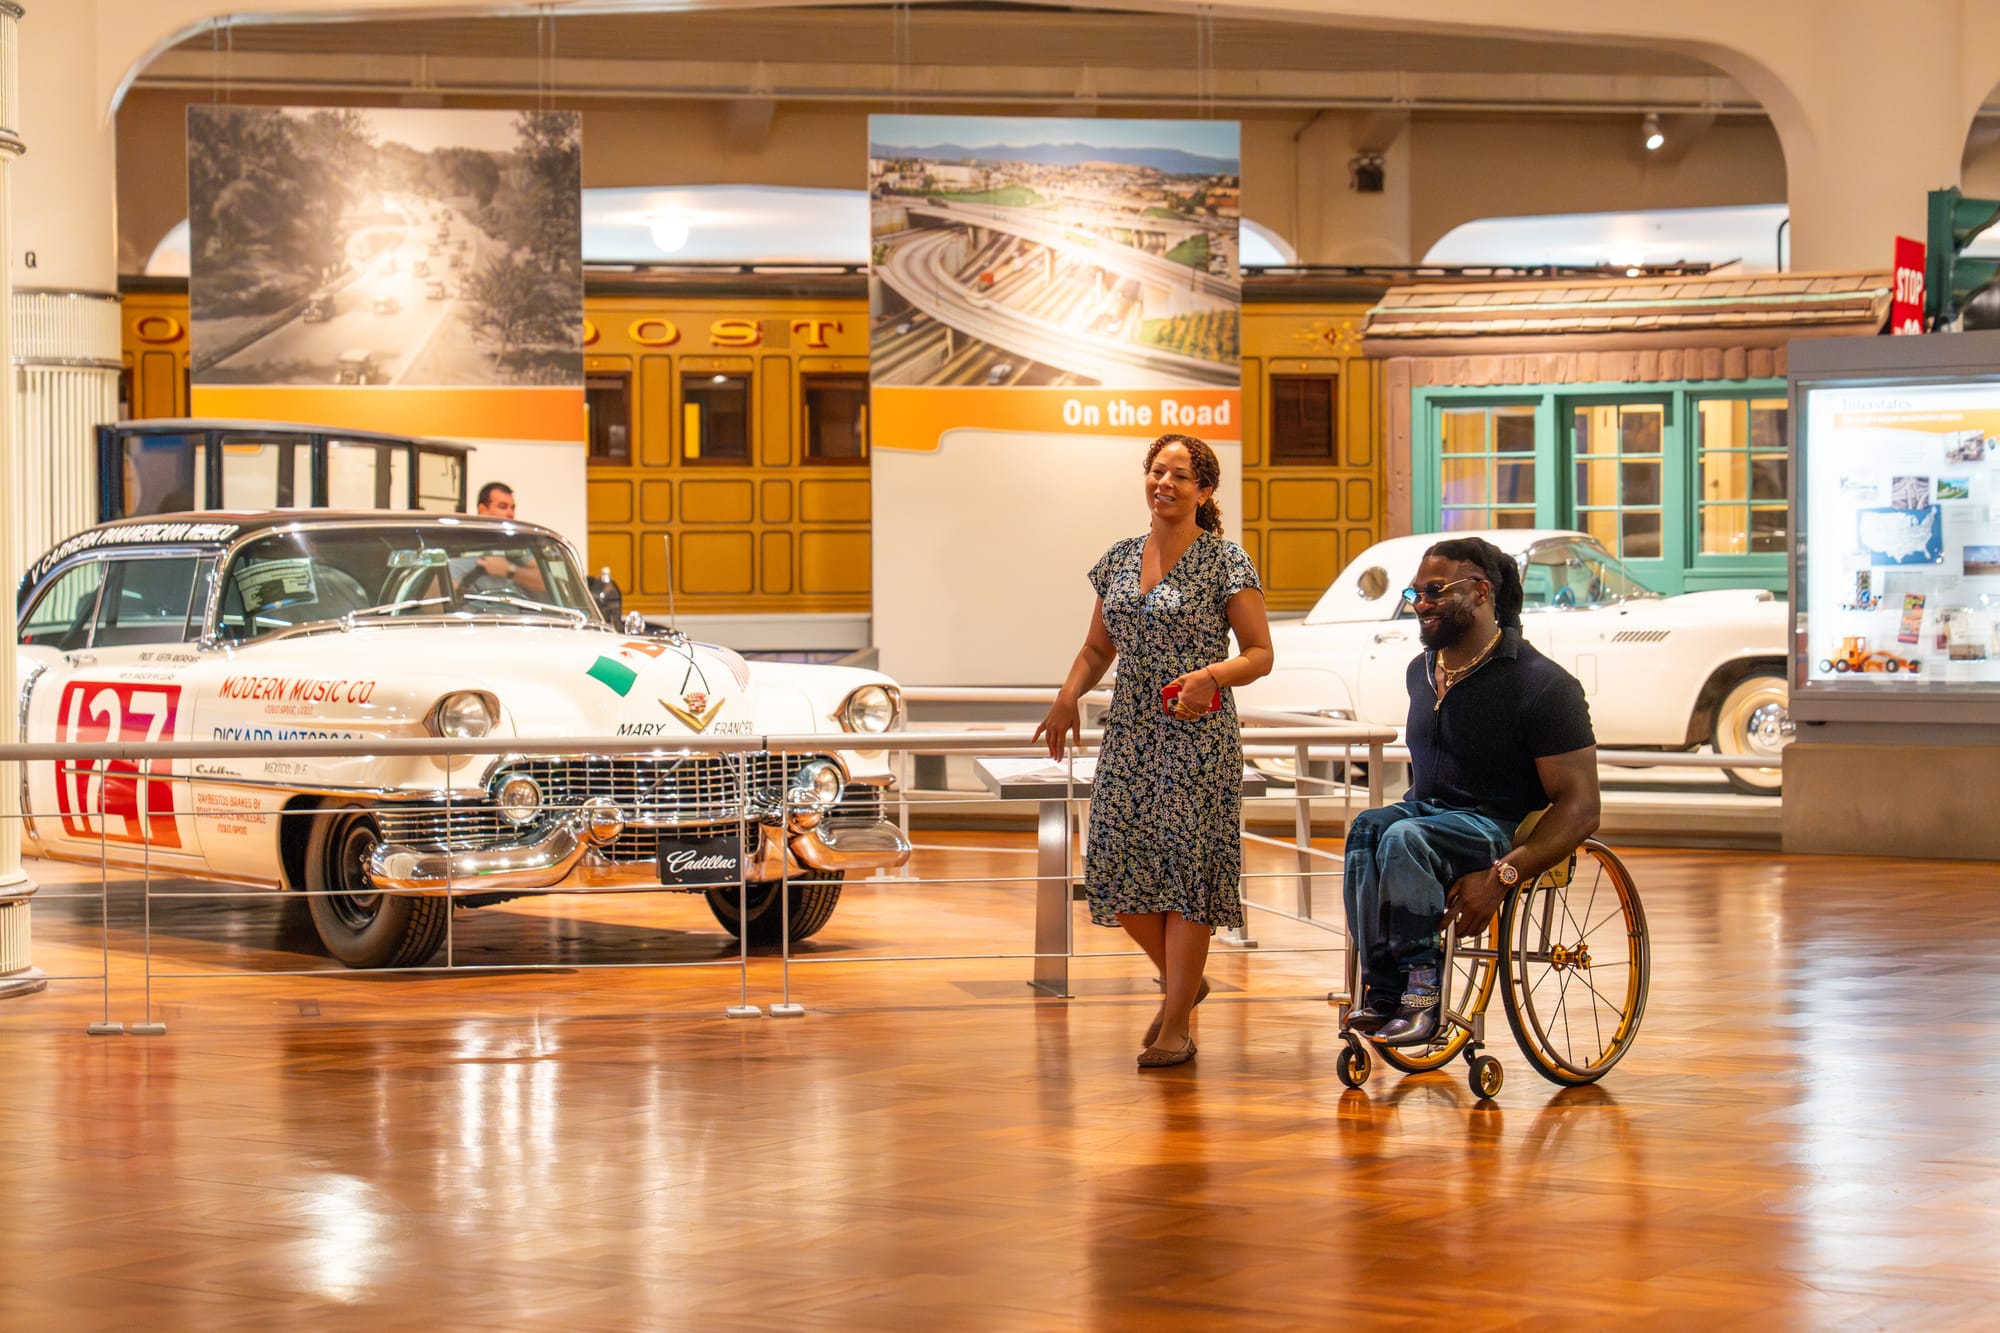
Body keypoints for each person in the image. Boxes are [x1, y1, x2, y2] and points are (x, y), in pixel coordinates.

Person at [1036, 433, 1273, 1069]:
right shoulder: (1117, 559)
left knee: (1188, 878)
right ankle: (1184, 982)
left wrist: (1212, 676)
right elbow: (1096, 648)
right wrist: (1067, 696)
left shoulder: (1226, 561)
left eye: (1180, 475)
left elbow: (1260, 654)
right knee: (1113, 868)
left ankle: (1176, 1025)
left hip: (1198, 736)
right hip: (1132, 733)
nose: (1164, 483)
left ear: (1204, 491)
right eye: (1156, 471)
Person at [1343, 536, 1600, 1047]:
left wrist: (1504, 877)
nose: (1421, 604)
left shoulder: (1543, 685)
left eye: (1435, 590)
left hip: (1499, 826)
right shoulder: (1422, 672)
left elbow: (1582, 807)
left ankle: (1423, 997)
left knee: (1406, 838)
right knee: (1368, 828)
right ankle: (1384, 989)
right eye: (1415, 593)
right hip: (1431, 815)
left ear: (1482, 592)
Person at [463, 480, 545, 595]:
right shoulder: (462, 544)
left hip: (517, 610)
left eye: (512, 508)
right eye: (503, 507)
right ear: (483, 510)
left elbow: (544, 582)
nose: (510, 513)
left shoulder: (517, 545)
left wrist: (509, 570)